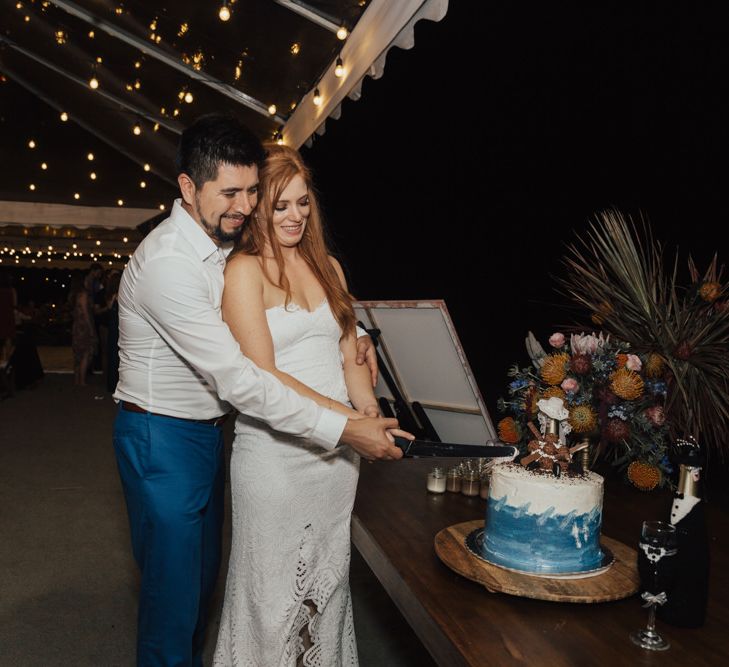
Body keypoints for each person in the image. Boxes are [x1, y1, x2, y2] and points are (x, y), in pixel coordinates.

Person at [112, 114, 409, 667]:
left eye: (252, 192)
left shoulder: (222, 241)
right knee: (172, 599)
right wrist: (345, 425)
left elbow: (317, 317)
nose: (245, 206)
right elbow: (246, 378)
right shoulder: (169, 264)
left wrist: (359, 337)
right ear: (187, 187)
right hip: (161, 435)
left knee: (203, 586)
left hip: (208, 434)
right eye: (232, 193)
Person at [213, 144, 379, 665]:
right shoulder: (243, 271)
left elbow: (350, 353)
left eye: (303, 204)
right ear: (259, 205)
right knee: (271, 600)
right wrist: (348, 420)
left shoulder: (329, 266)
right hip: (273, 457)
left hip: (334, 462)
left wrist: (369, 412)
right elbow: (266, 376)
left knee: (324, 594)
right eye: (281, 205)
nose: (294, 216)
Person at [69, 274, 97, 386]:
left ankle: (77, 379)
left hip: (76, 326)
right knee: (86, 353)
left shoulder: (73, 295)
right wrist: (91, 329)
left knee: (78, 354)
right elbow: (85, 313)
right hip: (83, 326)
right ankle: (82, 380)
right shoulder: (83, 295)